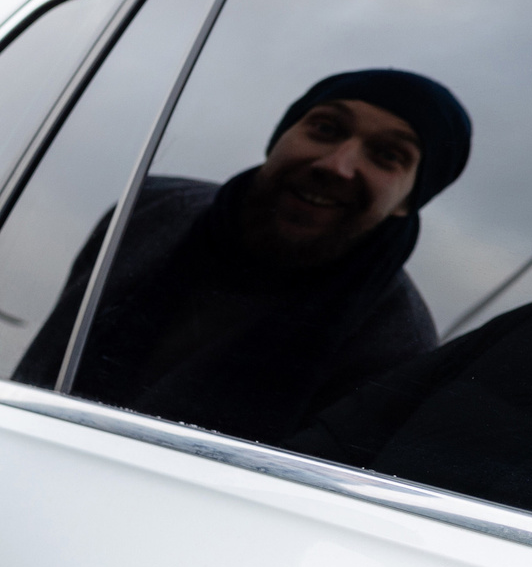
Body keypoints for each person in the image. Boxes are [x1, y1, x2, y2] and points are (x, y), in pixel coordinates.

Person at [14, 68, 471, 448]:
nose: (337, 165)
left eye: (388, 155)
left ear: (410, 200)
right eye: (326, 129)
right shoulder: (146, 211)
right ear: (280, 136)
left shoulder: (397, 346)